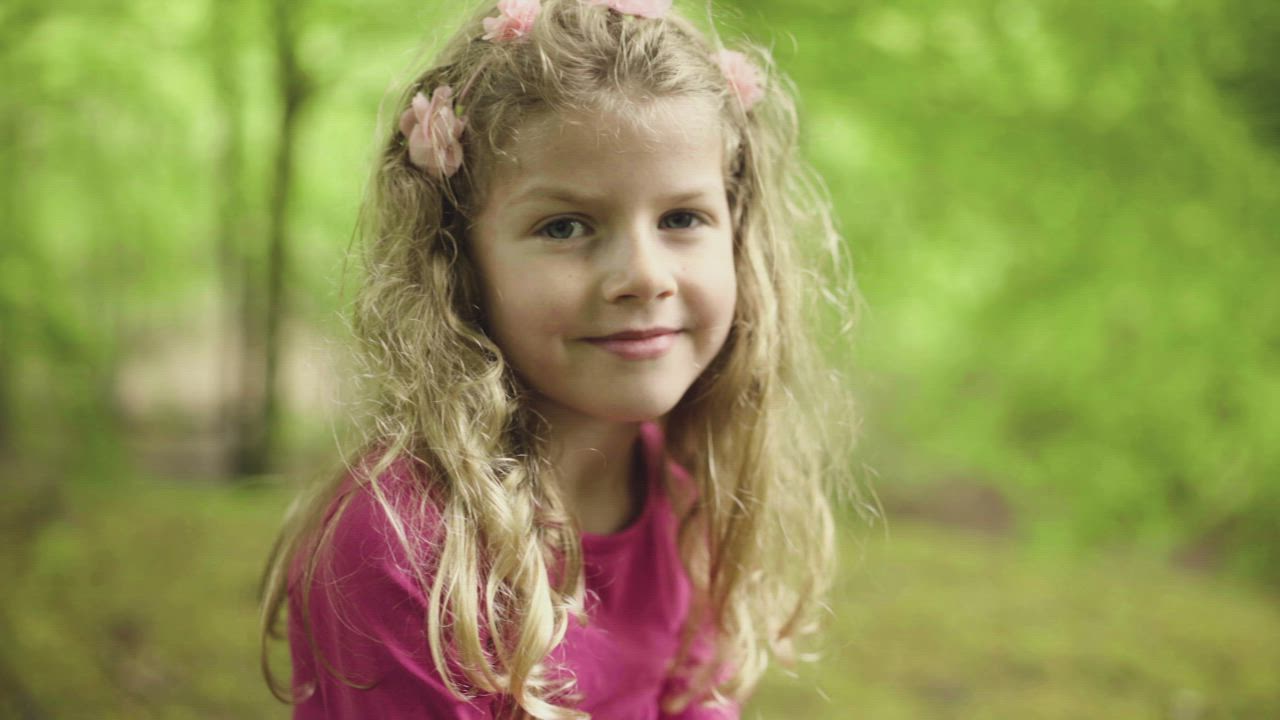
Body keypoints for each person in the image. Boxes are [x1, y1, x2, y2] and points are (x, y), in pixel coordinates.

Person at [258, 0, 862, 717]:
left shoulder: (687, 505)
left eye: (681, 218)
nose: (644, 276)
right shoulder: (405, 545)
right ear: (459, 259)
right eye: (565, 226)